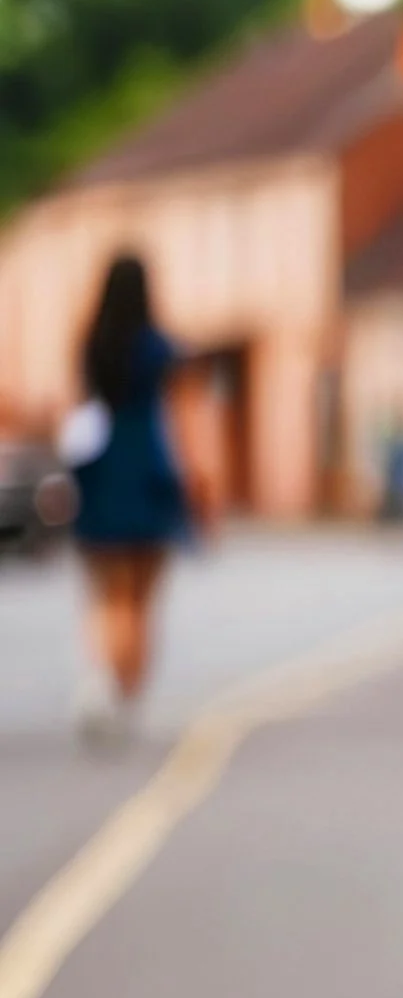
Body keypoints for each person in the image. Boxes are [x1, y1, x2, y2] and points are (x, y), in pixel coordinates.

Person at [66, 254, 197, 744]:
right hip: (147, 471)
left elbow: (79, 407)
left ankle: (103, 678)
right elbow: (181, 420)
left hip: (100, 472)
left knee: (107, 592)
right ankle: (123, 691)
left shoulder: (92, 345)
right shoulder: (159, 350)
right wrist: (196, 484)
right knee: (140, 599)